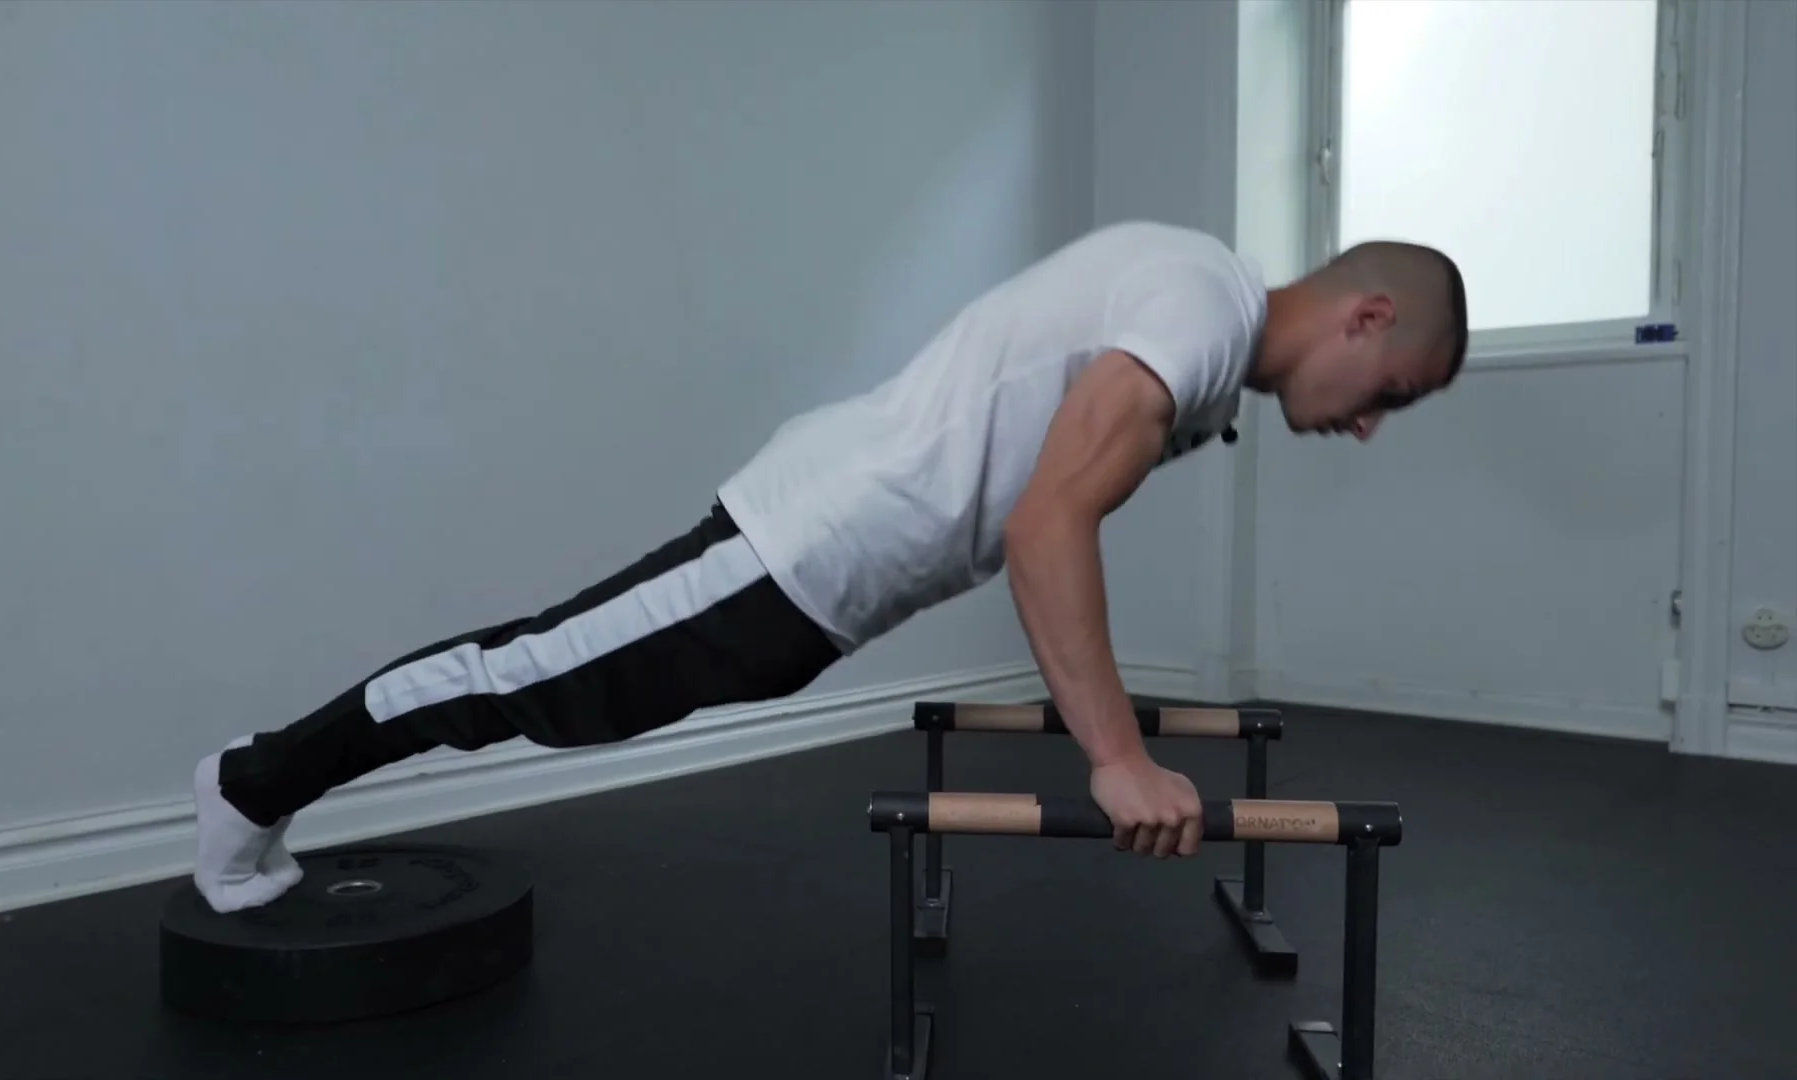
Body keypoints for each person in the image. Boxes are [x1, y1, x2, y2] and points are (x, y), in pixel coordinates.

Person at [191, 220, 1468, 914]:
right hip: (800, 546)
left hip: (824, 586)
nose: (1366, 423)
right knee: (524, 678)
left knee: (542, 691)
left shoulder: (1204, 335)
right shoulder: (1199, 315)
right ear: (1367, 317)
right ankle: (252, 781)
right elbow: (1045, 524)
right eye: (1389, 394)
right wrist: (1118, 757)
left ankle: (267, 783)